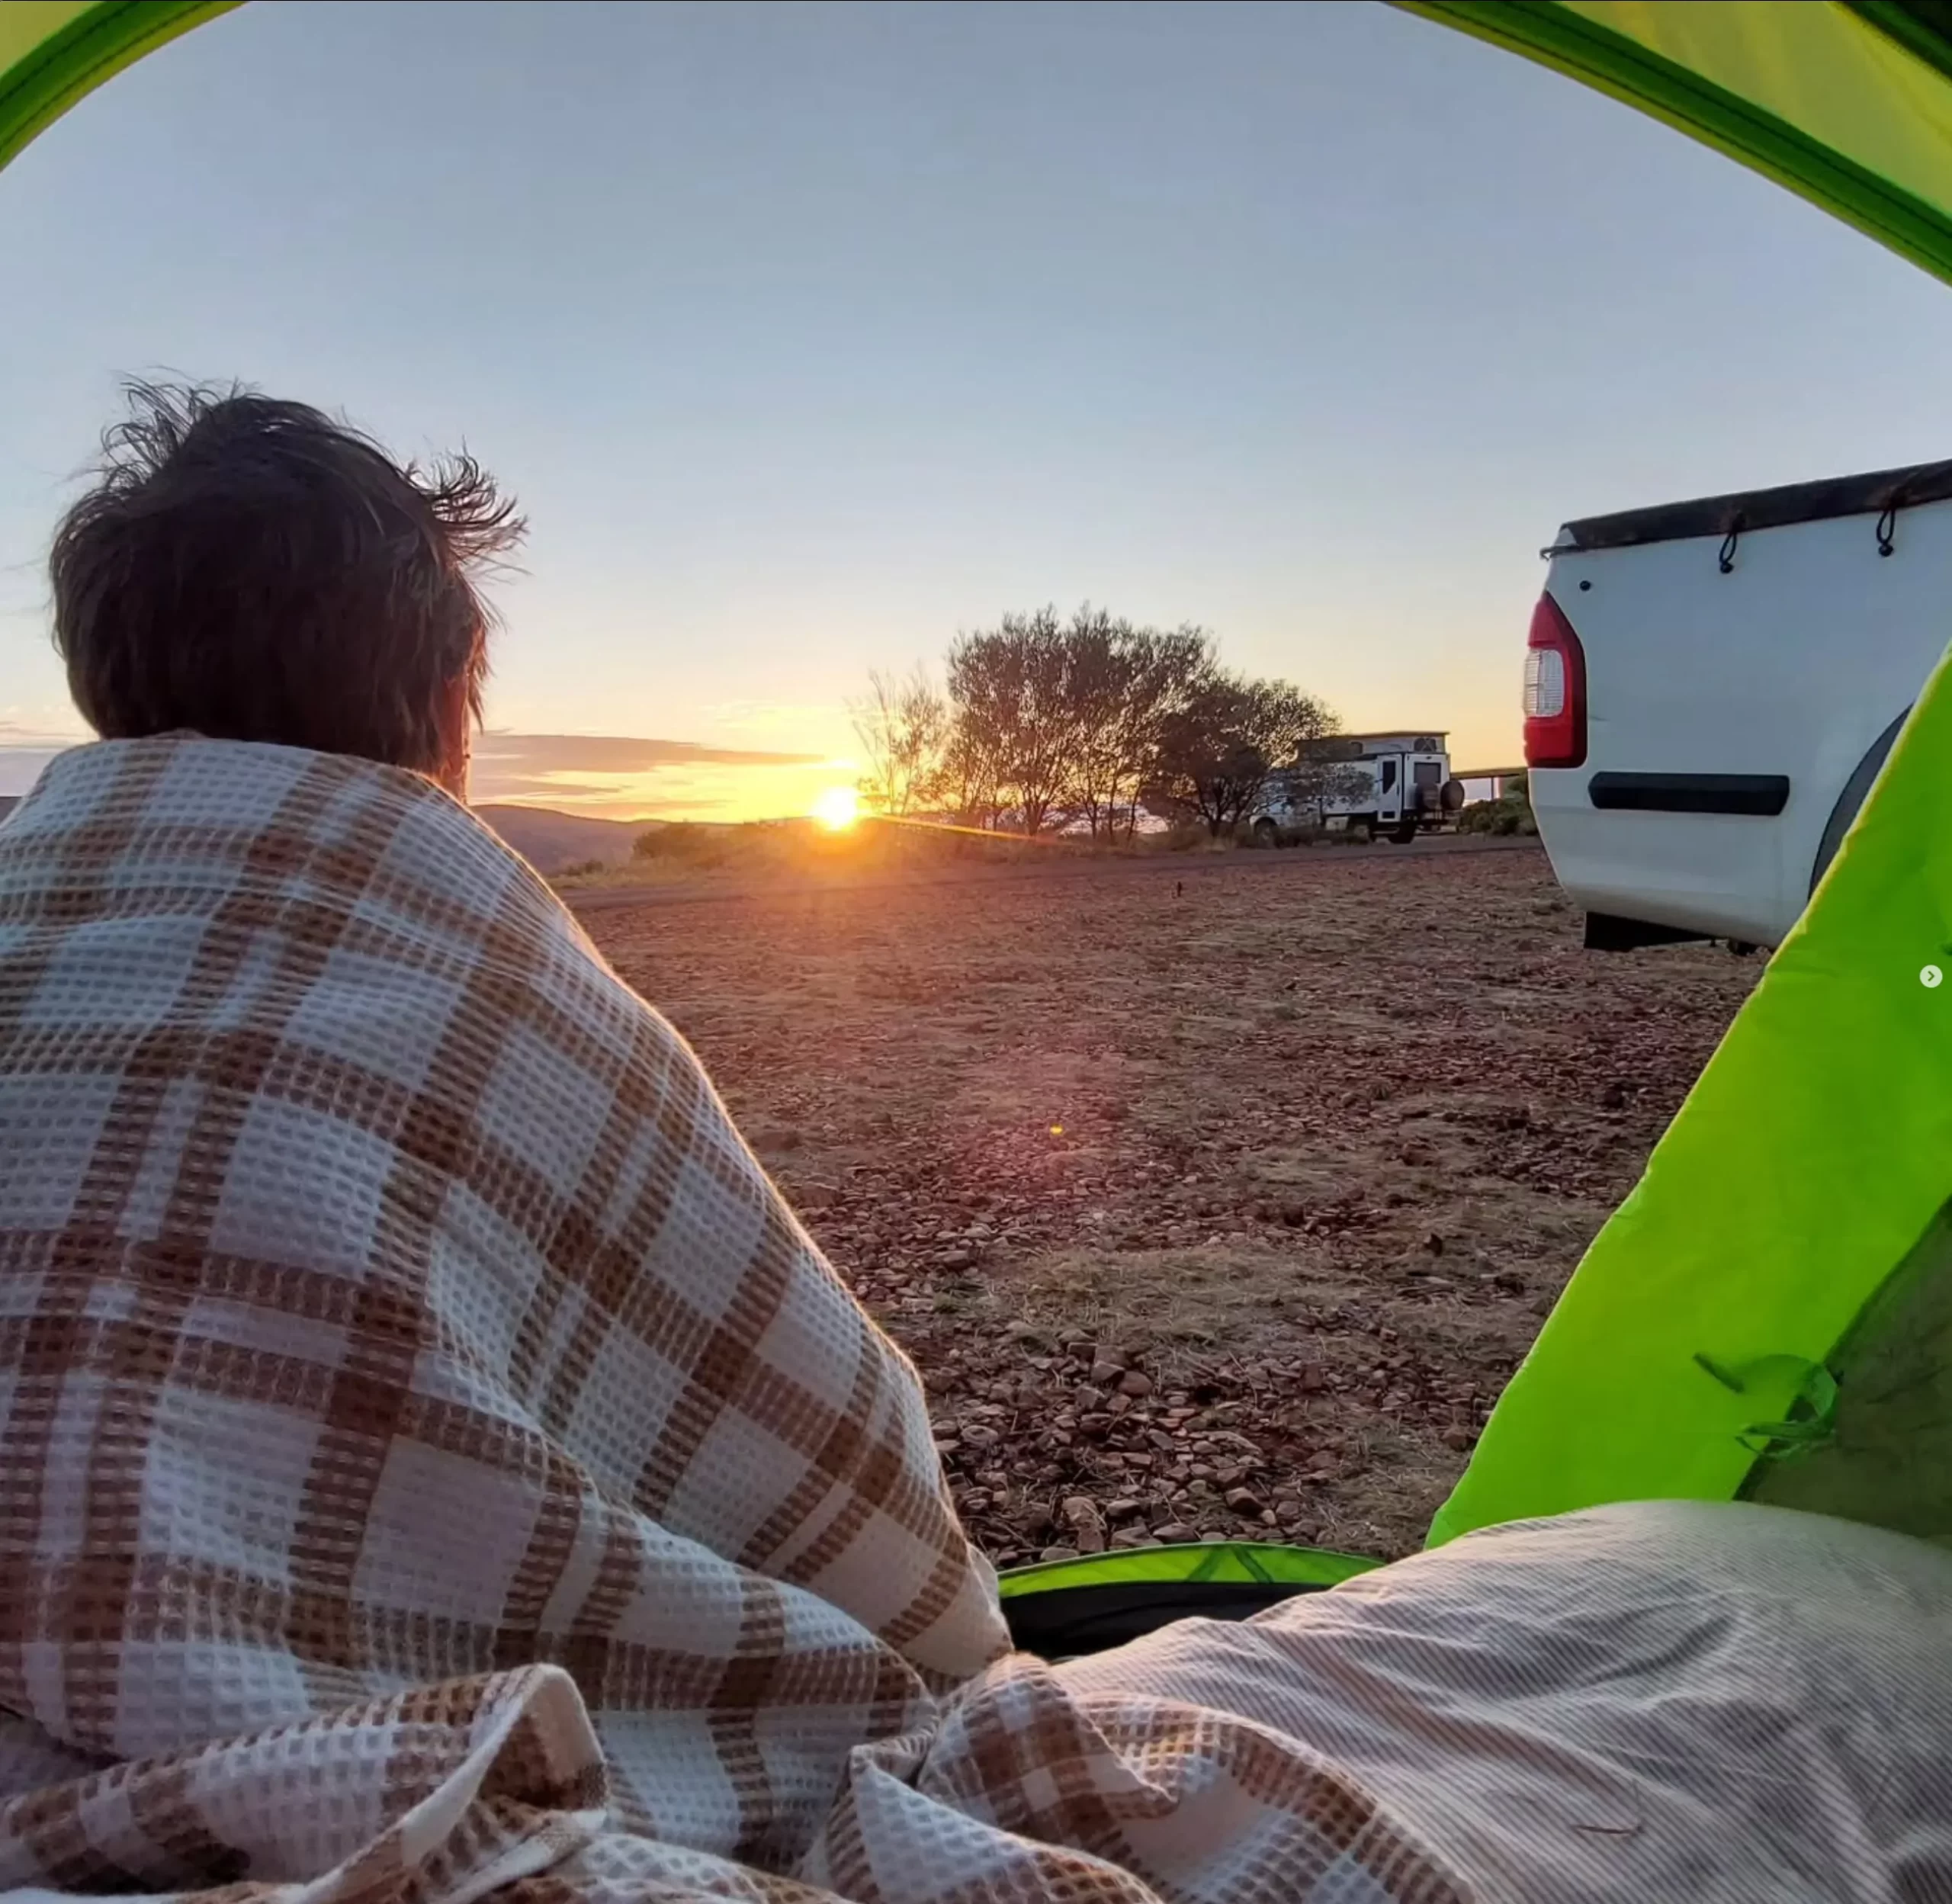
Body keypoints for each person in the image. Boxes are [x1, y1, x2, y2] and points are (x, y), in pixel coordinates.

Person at [0, 384, 1948, 1904]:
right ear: (444, 697)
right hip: (456, 1769)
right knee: (1697, 1586)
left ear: (103, 669)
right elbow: (829, 1470)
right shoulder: (475, 966)